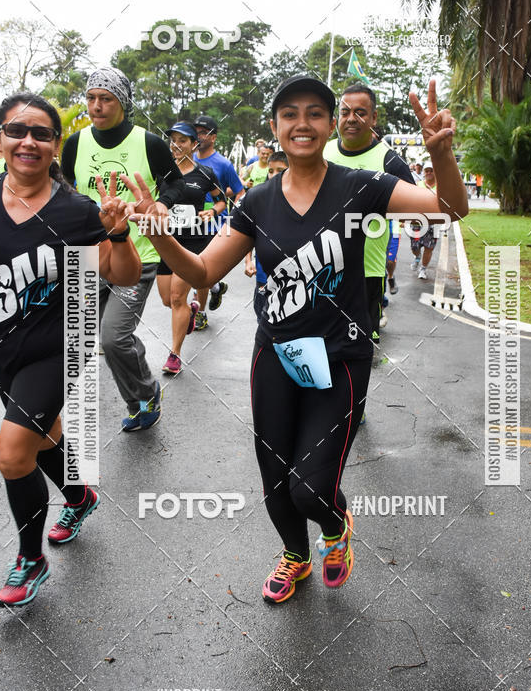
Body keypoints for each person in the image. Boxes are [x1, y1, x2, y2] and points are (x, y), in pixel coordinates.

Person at [131, 74, 467, 605]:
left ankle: (335, 528)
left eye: (315, 113)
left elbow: (448, 210)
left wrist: (441, 155)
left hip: (343, 356)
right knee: (274, 473)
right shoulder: (258, 202)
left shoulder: (362, 185)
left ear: (330, 125)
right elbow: (199, 273)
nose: (302, 123)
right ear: (275, 127)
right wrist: (160, 234)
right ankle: (295, 556)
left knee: (310, 485)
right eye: (290, 114)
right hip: (277, 354)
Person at [0, 93, 141, 607]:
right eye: (16, 130)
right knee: (43, 435)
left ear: (57, 145)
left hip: (61, 346)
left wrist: (118, 233)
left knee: (13, 453)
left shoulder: (77, 212)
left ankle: (31, 561)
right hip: (4, 348)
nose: (28, 141)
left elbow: (123, 276)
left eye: (41, 133)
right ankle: (80, 495)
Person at [61, 67, 184, 431]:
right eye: (91, 98)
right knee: (85, 336)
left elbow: (179, 185)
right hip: (88, 256)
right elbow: (64, 189)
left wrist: (160, 203)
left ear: (123, 102)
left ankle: (144, 397)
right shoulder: (75, 144)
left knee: (112, 337)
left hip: (139, 255)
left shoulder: (148, 143)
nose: (97, 106)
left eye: (106, 99)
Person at [323, 82, 414, 353]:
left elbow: (418, 212)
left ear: (374, 118)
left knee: (361, 351)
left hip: (367, 273)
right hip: (320, 268)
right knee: (321, 347)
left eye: (360, 112)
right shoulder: (322, 152)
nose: (351, 119)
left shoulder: (389, 161)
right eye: (345, 111)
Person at [158, 121, 226, 373]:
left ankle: (174, 355)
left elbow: (221, 201)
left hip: (193, 242)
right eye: (172, 140)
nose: (175, 145)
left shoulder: (205, 173)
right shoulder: (162, 172)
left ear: (193, 145)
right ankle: (189, 311)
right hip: (167, 242)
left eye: (182, 140)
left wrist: (212, 211)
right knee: (168, 300)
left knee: (177, 297)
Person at [192, 115, 245, 329]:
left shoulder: (223, 164)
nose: (197, 136)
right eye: (195, 131)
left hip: (214, 222)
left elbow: (240, 192)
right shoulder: (187, 159)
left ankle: (200, 313)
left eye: (202, 132)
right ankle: (215, 288)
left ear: (213, 137)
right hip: (188, 220)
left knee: (199, 267)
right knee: (191, 266)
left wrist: (233, 217)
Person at [244, 151, 288, 321]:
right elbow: (248, 234)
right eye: (271, 171)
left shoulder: (303, 201)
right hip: (263, 278)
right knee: (262, 318)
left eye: (280, 170)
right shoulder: (258, 199)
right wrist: (248, 261)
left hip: (292, 279)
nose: (274, 175)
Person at [411, 162, 439, 279]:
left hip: (434, 223)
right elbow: (411, 202)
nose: (429, 173)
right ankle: (417, 257)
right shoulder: (418, 184)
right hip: (418, 222)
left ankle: (423, 269)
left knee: (429, 247)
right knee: (415, 247)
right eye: (426, 171)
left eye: (431, 170)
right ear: (423, 172)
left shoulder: (440, 187)